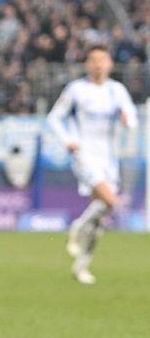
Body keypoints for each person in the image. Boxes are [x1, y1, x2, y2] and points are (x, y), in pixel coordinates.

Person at [47, 44, 139, 285]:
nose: (98, 64)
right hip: (84, 154)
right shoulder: (77, 89)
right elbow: (54, 117)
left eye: (102, 59)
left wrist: (127, 120)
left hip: (108, 158)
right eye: (93, 59)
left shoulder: (116, 91)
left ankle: (81, 266)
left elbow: (132, 117)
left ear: (109, 64)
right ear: (88, 64)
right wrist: (68, 140)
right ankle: (77, 226)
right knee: (110, 201)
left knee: (99, 221)